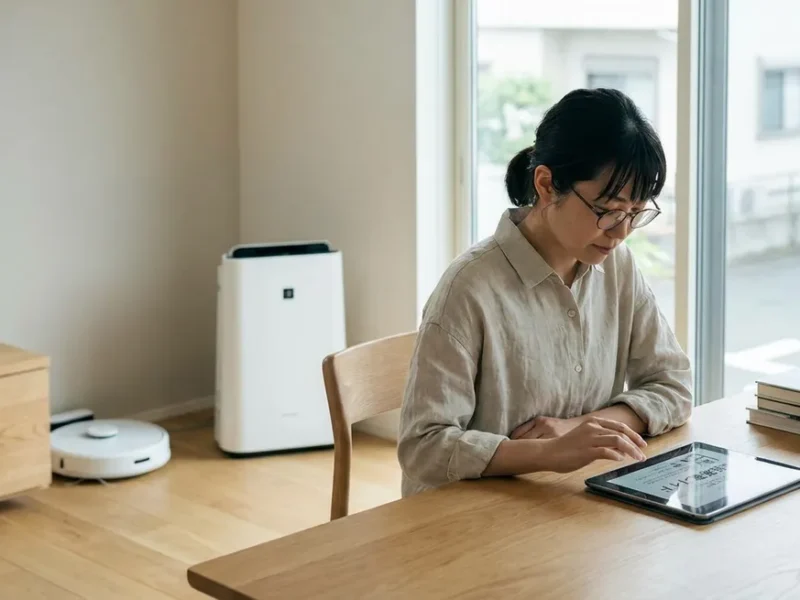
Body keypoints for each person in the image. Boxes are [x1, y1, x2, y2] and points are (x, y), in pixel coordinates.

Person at [397, 88, 693, 498]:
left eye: (635, 212)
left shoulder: (618, 267)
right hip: (469, 513)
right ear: (547, 184)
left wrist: (579, 430)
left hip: (569, 500)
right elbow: (423, 447)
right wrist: (545, 453)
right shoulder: (468, 288)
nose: (622, 232)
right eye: (608, 210)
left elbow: (673, 386)